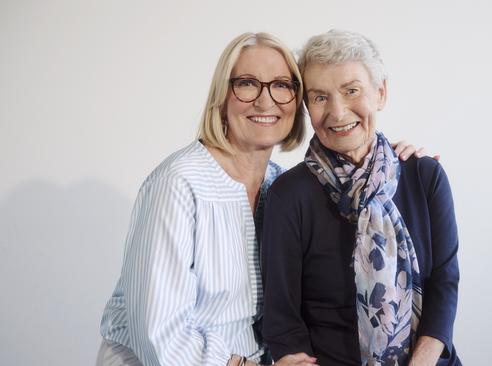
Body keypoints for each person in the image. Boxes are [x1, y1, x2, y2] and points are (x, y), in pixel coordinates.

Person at [96, 32, 424, 366]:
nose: (266, 101)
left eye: (282, 85)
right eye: (248, 83)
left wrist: (393, 163)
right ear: (222, 96)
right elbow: (158, 333)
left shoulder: (279, 186)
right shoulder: (178, 185)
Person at [262, 30, 462, 365]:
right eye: (320, 97)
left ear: (380, 93)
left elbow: (444, 282)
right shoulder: (288, 196)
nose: (338, 113)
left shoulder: (424, 176)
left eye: (351, 90)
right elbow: (282, 319)